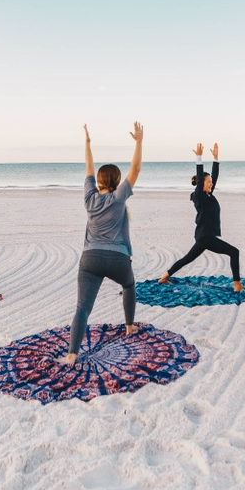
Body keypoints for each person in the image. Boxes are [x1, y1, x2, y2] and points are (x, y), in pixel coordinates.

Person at [58, 122, 143, 366]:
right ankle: (129, 326)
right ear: (117, 180)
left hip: (90, 260)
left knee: (82, 309)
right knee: (129, 285)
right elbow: (135, 169)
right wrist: (138, 142)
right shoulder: (119, 198)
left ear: (99, 181)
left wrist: (87, 144)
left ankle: (72, 355)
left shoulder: (89, 197)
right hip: (117, 260)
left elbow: (88, 168)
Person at [158, 143, 243, 292]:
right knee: (234, 252)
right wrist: (199, 158)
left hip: (204, 236)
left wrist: (216, 158)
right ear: (201, 184)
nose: (211, 184)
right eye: (208, 182)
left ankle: (164, 277)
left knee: (187, 259)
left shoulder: (209, 195)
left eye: (211, 182)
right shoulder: (200, 197)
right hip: (206, 236)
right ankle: (237, 284)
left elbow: (214, 176)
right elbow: (201, 181)